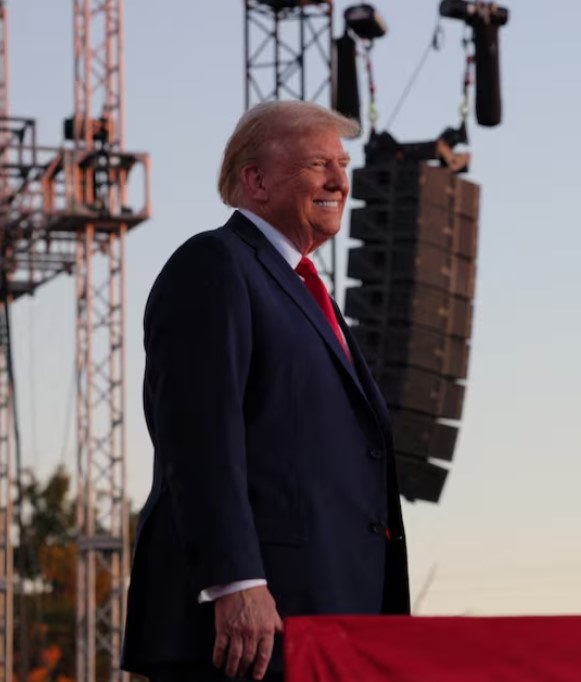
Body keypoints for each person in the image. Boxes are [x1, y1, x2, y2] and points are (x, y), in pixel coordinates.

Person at [122, 100, 410, 681]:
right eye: (317, 165)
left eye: (342, 163)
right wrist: (237, 580)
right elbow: (199, 438)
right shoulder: (216, 264)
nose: (338, 181)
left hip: (329, 626)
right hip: (249, 631)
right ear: (255, 180)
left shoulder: (305, 291)